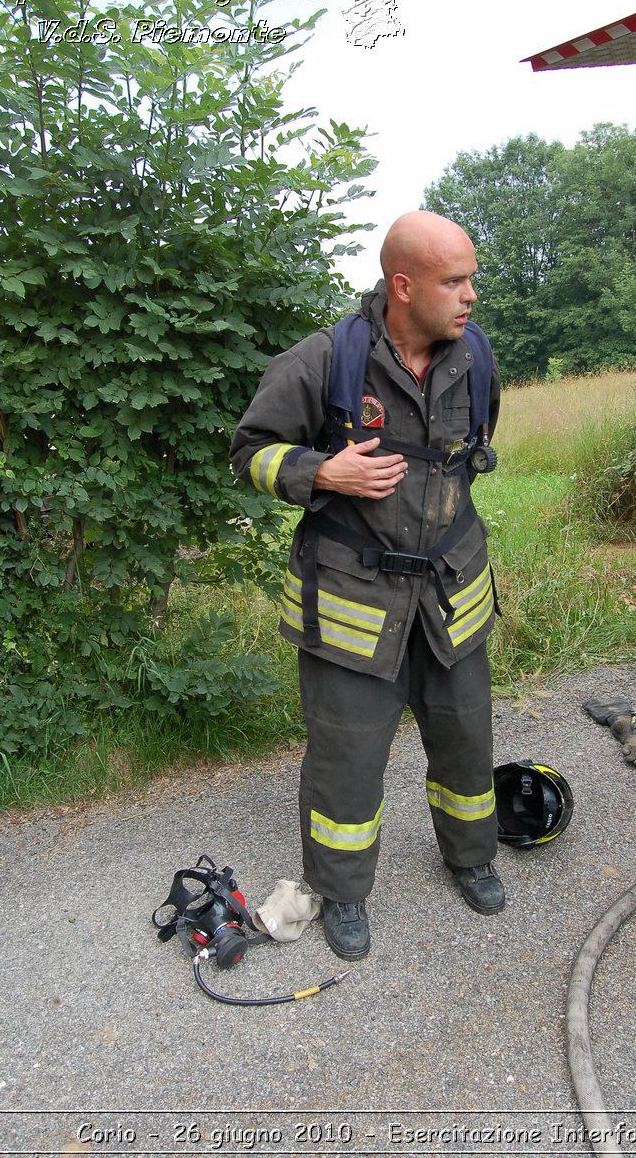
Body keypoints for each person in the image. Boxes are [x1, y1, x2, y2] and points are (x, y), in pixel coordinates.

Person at [229, 210, 503, 961]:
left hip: (450, 593)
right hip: (352, 605)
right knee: (345, 758)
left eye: (471, 277)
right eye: (455, 280)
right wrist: (321, 470)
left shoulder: (473, 356)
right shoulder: (324, 361)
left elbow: (476, 447)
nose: (471, 294)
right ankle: (343, 893)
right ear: (403, 285)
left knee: (466, 735)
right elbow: (248, 451)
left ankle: (471, 855)